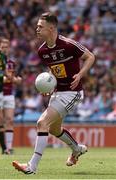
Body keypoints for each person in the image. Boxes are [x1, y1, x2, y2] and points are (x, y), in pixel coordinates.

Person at [12, 12, 95, 174]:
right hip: (58, 92)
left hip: (72, 92)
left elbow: (90, 57)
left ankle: (31, 167)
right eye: (37, 26)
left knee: (42, 123)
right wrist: (49, 84)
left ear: (51, 28)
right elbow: (53, 69)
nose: (36, 29)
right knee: (54, 129)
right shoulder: (42, 51)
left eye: (40, 27)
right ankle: (77, 149)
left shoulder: (68, 44)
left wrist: (80, 74)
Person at [0, 38, 22, 154]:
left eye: (6, 47)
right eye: (2, 47)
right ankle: (3, 147)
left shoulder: (12, 64)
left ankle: (8, 148)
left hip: (9, 94)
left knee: (10, 120)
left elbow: (18, 79)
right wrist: (10, 79)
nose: (4, 49)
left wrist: (15, 79)